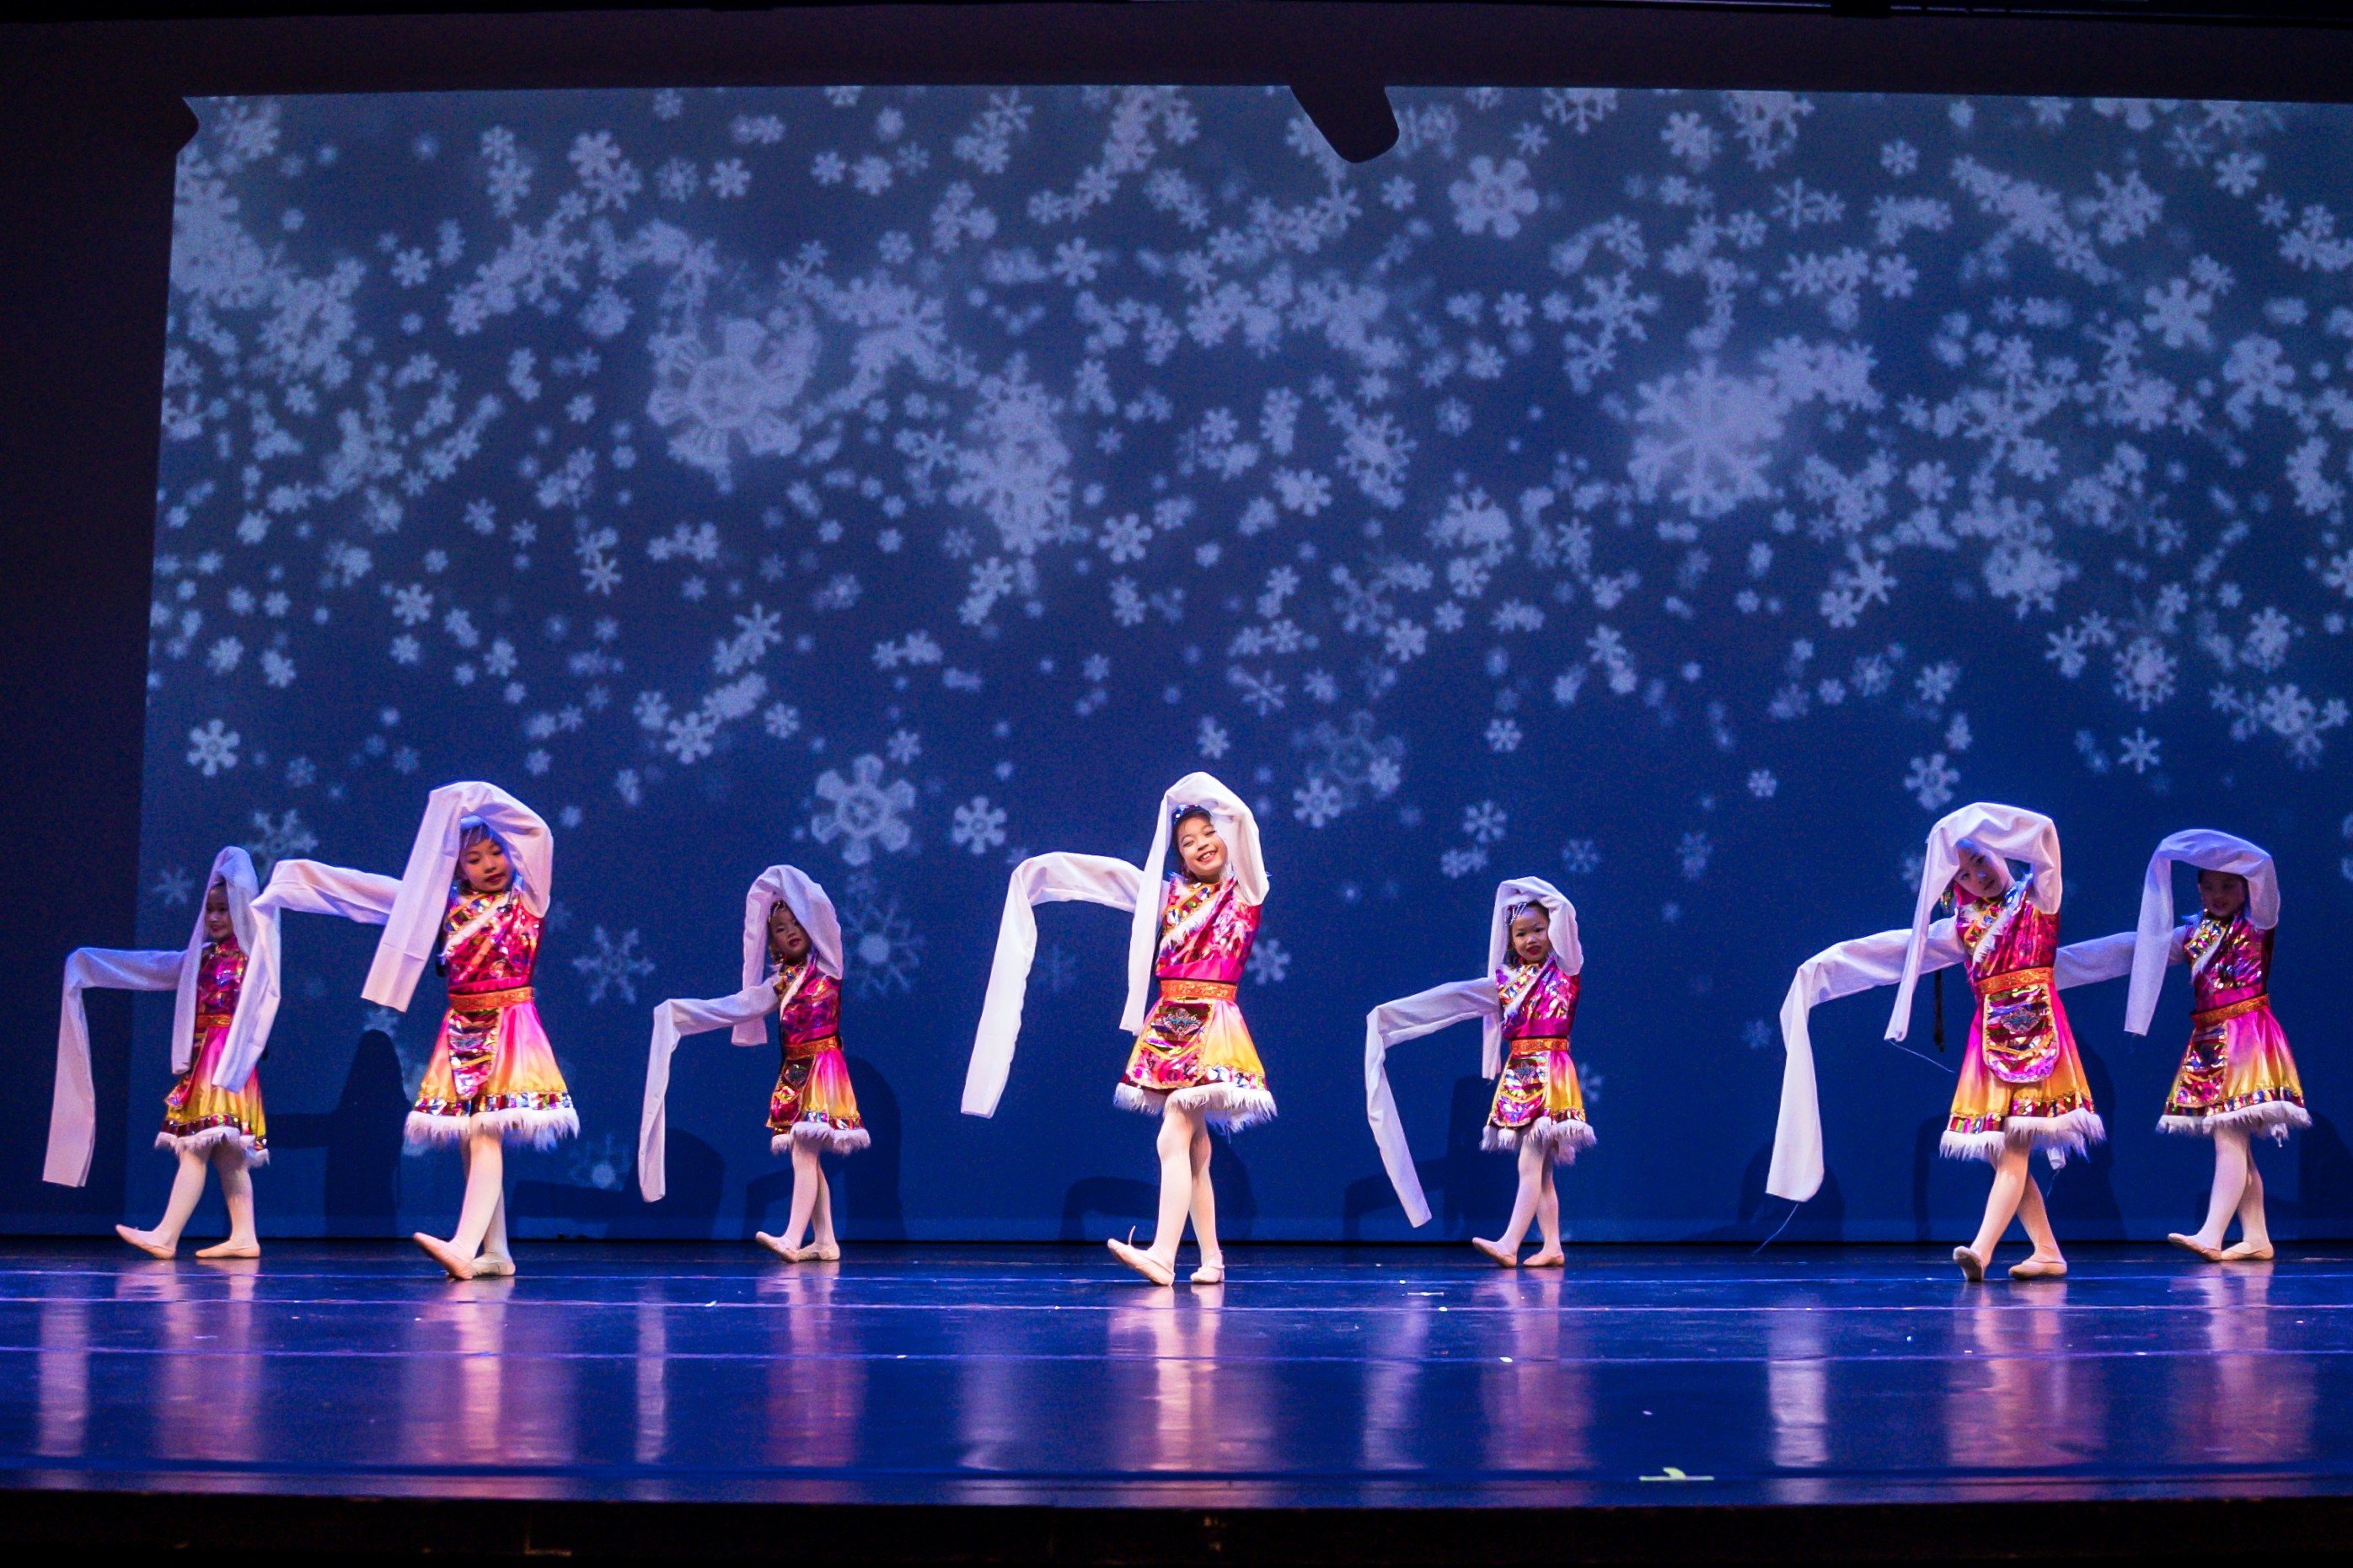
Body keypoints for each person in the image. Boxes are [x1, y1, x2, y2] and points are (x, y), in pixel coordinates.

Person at [1766, 804, 2120, 1282]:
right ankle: (2047, 1250)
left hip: (2038, 1040)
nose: (1978, 876)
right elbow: (1896, 951)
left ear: (2002, 851)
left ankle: (1981, 1250)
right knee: (2000, 1153)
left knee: (2012, 1151)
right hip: (1990, 1046)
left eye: (1982, 860)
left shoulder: (2039, 899)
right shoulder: (1964, 926)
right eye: (1964, 873)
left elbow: (2045, 836)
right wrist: (1822, 968)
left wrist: (1971, 821)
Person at [963, 772, 1273, 1287]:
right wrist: (1038, 874)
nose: (1201, 845)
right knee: (1195, 1149)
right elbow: (1105, 877)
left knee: (1174, 1129)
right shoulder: (1168, 895)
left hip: (1212, 1024)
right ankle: (1212, 1259)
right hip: (1170, 1024)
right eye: (1187, 841)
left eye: (1208, 833)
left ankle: (1164, 1255)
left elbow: (1243, 821)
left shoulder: (1246, 891)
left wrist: (1186, 795)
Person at [363, 783, 576, 1279]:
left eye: (496, 851)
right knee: (472, 1136)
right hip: (461, 1029)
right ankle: (495, 1251)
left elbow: (538, 833)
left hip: (509, 1027)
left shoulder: (528, 901)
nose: (488, 864)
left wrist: (474, 796)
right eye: (474, 858)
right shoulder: (447, 907)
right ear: (457, 867)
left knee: (484, 1133)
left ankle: (463, 1245)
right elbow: (376, 896)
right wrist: (298, 882)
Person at [49, 848, 271, 1259]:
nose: (215, 917)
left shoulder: (251, 958)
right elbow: (151, 966)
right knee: (228, 1156)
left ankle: (167, 1235)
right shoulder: (201, 959)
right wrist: (89, 963)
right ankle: (244, 1235)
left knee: (194, 1148)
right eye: (210, 909)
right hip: (210, 1058)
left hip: (224, 1059)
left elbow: (263, 996)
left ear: (239, 909)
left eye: (224, 909)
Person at [639, 865, 866, 1260]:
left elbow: (819, 905)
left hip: (823, 1068)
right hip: (794, 1071)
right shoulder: (780, 983)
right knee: (807, 1157)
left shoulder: (828, 964)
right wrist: (679, 1012)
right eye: (779, 928)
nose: (791, 931)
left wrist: (775, 881)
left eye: (797, 922)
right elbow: (736, 1007)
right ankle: (825, 1240)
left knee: (804, 1154)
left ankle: (792, 1238)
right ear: (771, 941)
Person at [1364, 877, 1593, 1266]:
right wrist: (1390, 1017)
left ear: (1553, 931)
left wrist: (1524, 891)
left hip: (1550, 1074)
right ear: (1510, 940)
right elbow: (1456, 997)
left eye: (1539, 930)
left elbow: (1565, 910)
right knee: (1543, 1175)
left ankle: (1510, 1244)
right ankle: (1552, 1246)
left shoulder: (1566, 969)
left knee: (1529, 1164)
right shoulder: (1506, 983)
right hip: (1520, 1073)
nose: (1531, 939)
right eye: (1521, 933)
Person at [2122, 831, 2306, 1263]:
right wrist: (2052, 966)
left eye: (2229, 885)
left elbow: (2262, 864)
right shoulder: (2192, 934)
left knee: (2228, 1135)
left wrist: (2186, 846)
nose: (2219, 894)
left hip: (2247, 1036)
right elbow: (2134, 949)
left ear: (2246, 889)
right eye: (2210, 886)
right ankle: (2256, 1236)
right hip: (2208, 1040)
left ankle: (2212, 1233)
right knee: (2236, 1142)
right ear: (2199, 890)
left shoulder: (2258, 923)